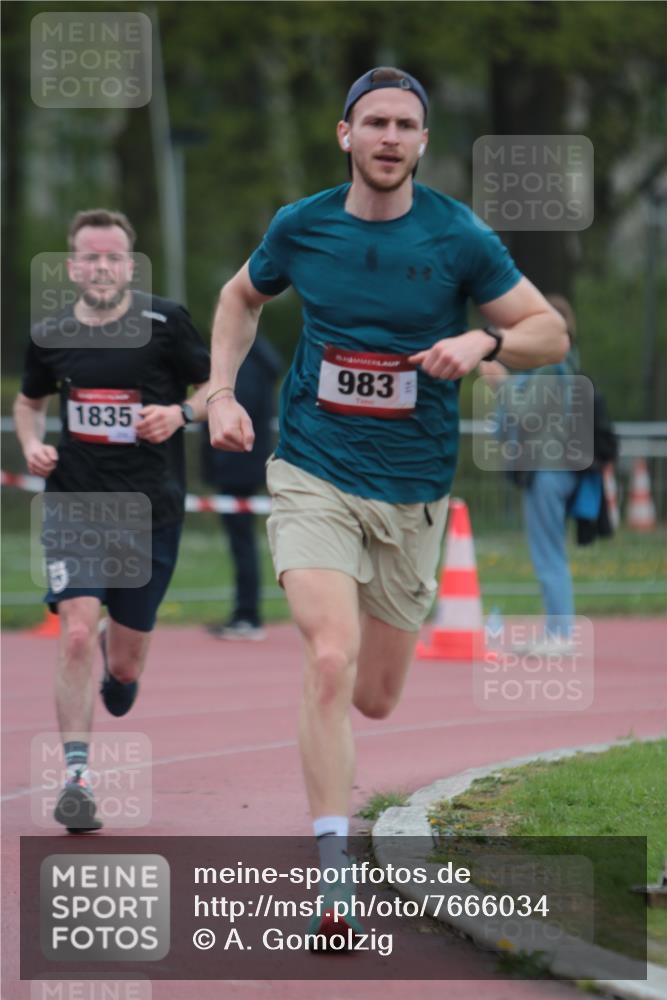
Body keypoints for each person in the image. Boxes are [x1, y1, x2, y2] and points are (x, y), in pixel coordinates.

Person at [207, 67, 568, 932]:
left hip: (410, 490)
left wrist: (482, 340)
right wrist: (219, 393)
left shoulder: (458, 235)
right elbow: (237, 297)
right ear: (345, 135)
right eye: (374, 123)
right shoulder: (303, 226)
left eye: (406, 125)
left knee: (374, 697)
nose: (389, 138)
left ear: (422, 143)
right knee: (327, 658)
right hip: (312, 470)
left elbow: (547, 333)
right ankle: (334, 873)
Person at [14, 208, 210, 832]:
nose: (102, 267)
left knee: (123, 669)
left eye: (114, 257)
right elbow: (29, 401)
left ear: (130, 264)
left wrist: (180, 413)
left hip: (150, 511)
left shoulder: (165, 323)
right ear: (73, 267)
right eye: (91, 257)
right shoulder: (51, 334)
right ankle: (76, 777)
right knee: (74, 630)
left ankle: (116, 659)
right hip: (75, 503)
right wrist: (30, 444)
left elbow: (214, 389)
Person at [480, 294, 581, 651]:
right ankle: (555, 630)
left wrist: (501, 386)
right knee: (546, 550)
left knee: (548, 551)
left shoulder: (552, 368)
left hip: (548, 469)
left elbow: (525, 418)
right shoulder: (550, 369)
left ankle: (561, 634)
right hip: (548, 468)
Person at [201, 335, 282, 640]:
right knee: (243, 540)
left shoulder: (244, 365)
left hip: (237, 463)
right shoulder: (257, 361)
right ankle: (245, 612)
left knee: (242, 542)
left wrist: (219, 464)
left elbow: (232, 415)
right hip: (243, 462)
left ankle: (247, 615)